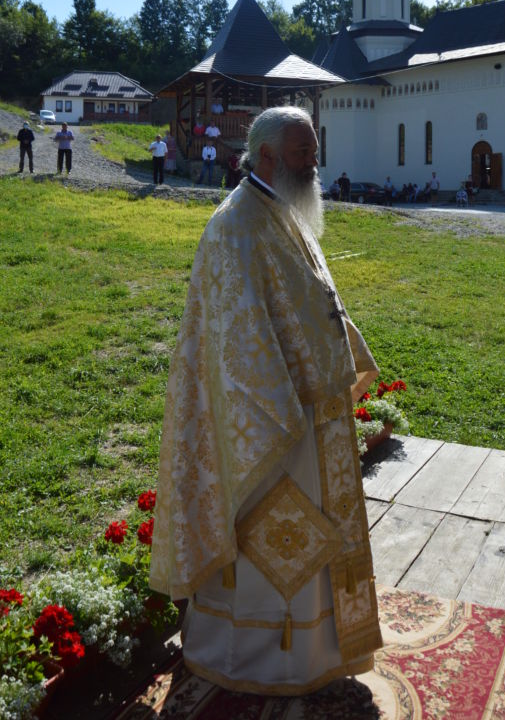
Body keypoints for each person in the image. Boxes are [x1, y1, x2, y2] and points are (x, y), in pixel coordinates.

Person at [150, 106, 382, 694]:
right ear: (270, 156)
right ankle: (253, 657)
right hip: (270, 422)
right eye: (305, 151)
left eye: (313, 148)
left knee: (317, 538)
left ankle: (318, 649)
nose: (316, 160)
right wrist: (285, 413)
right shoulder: (234, 226)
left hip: (313, 412)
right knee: (276, 543)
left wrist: (343, 357)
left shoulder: (284, 209)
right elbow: (236, 340)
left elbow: (316, 298)